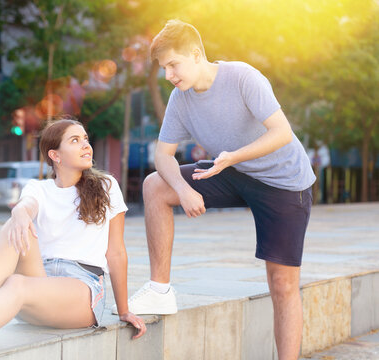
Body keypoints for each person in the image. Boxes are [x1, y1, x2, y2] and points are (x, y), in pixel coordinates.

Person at [117, 20, 315, 360]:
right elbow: (161, 155)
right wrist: (182, 189)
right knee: (156, 186)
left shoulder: (242, 77)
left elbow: (282, 132)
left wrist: (233, 156)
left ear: (196, 54)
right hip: (231, 168)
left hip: (283, 181)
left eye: (173, 65)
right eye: (163, 68)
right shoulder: (180, 99)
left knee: (281, 284)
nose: (168, 75)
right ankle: (160, 289)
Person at [0, 118, 146, 354]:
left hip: (81, 292)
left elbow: (116, 252)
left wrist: (124, 310)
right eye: (75, 140)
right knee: (14, 226)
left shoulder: (106, 186)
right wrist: (20, 212)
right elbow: (27, 204)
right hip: (39, 281)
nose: (86, 145)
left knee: (16, 283)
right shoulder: (39, 188)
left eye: (85, 139)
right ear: (55, 155)